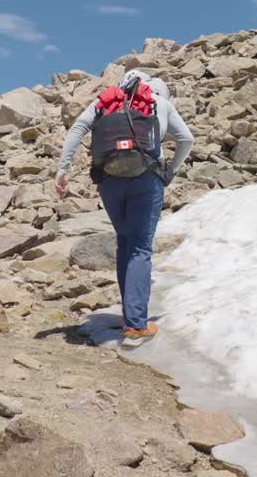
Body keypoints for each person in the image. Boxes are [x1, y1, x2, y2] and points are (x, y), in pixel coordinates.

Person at [55, 69, 193, 345]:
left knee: (125, 243)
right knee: (140, 247)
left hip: (110, 181)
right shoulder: (160, 103)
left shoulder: (105, 101)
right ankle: (136, 325)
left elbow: (77, 128)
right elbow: (186, 140)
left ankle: (130, 314)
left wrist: (62, 169)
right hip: (146, 178)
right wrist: (171, 171)